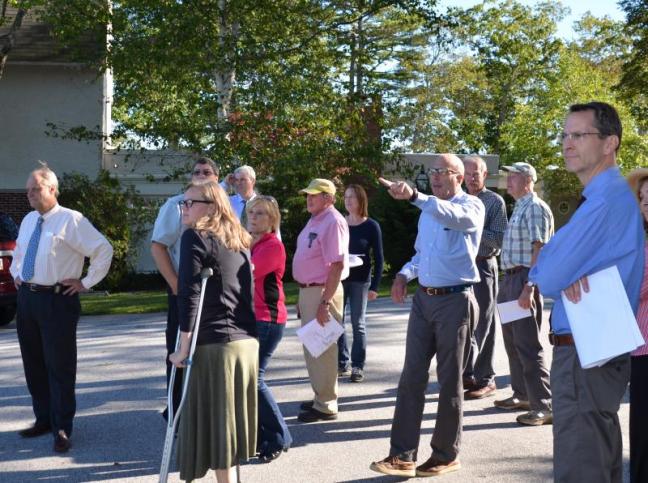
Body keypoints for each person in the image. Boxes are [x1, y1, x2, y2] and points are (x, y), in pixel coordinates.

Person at [529, 102, 644, 482]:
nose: (568, 143)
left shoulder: (605, 202)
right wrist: (557, 265)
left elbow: (545, 276)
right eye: (565, 134)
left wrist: (554, 263)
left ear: (610, 143)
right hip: (595, 349)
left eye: (580, 135)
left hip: (585, 352)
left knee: (583, 466)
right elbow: (552, 269)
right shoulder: (603, 199)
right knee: (598, 460)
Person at [370, 154, 483, 478]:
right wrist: (404, 275)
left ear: (458, 177)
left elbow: (456, 218)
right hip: (424, 301)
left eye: (441, 171)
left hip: (454, 301)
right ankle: (402, 455)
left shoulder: (471, 207)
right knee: (411, 378)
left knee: (450, 382)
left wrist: (416, 198)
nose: (433, 176)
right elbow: (422, 255)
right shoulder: (428, 212)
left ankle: (445, 454)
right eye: (430, 171)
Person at [10, 163, 113, 453]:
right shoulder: (30, 219)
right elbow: (19, 252)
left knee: (60, 366)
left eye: (36, 189)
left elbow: (103, 249)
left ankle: (63, 427)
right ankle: (43, 419)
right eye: (28, 190)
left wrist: (86, 282)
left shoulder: (72, 220)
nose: (30, 194)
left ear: (52, 189)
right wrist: (17, 273)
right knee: (34, 364)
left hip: (58, 300)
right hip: (28, 299)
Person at [169, 181, 258, 483]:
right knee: (227, 433)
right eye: (183, 203)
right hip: (244, 346)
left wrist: (182, 347)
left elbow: (189, 293)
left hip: (216, 346)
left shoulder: (196, 236)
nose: (184, 209)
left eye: (190, 203)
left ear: (211, 207)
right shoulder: (239, 240)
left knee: (220, 433)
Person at [150, 157, 219, 420]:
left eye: (206, 171)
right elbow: (158, 246)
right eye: (196, 171)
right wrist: (177, 285)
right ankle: (177, 411)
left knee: (210, 352)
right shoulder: (177, 205)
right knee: (181, 351)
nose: (201, 174)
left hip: (215, 291)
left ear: (216, 177)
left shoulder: (223, 208)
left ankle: (204, 411)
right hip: (184, 289)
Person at [494, 161, 553, 426]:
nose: (508, 180)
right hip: (510, 280)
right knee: (513, 343)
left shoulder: (536, 208)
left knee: (528, 345)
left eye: (513, 176)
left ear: (528, 179)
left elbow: (540, 249)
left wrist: (529, 286)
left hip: (523, 280)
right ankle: (522, 395)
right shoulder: (520, 206)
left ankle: (544, 405)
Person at [292, 178, 349, 423]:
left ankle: (326, 404)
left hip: (323, 291)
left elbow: (336, 265)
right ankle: (321, 396)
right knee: (313, 348)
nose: (309, 198)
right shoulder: (316, 219)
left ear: (329, 198)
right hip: (310, 291)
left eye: (314, 195)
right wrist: (303, 296)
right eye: (308, 194)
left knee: (323, 349)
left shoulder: (333, 221)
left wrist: (324, 302)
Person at [245, 195, 292, 462]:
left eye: (261, 213)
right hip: (253, 319)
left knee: (254, 379)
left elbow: (244, 272)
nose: (254, 216)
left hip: (268, 320)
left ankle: (278, 436)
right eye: (252, 212)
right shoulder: (253, 243)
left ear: (272, 219)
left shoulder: (272, 246)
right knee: (248, 381)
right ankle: (264, 435)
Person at [461, 156, 507, 400]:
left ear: (485, 174)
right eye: (467, 173)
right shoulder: (458, 200)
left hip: (483, 266)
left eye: (475, 173)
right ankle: (467, 373)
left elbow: (499, 239)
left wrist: (472, 231)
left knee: (484, 324)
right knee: (462, 323)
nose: (471, 177)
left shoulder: (494, 201)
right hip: (459, 270)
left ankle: (487, 379)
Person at [337, 184, 384, 382]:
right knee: (337, 322)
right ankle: (342, 363)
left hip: (360, 281)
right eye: (346, 197)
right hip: (339, 279)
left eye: (352, 197)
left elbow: (379, 258)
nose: (348, 201)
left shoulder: (371, 226)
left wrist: (375, 286)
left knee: (358, 323)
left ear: (361, 200)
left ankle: (358, 366)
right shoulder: (339, 223)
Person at [628, 168, 648, 483]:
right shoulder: (639, 238)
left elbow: (636, 286)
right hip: (639, 345)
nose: (645, 203)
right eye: (642, 198)